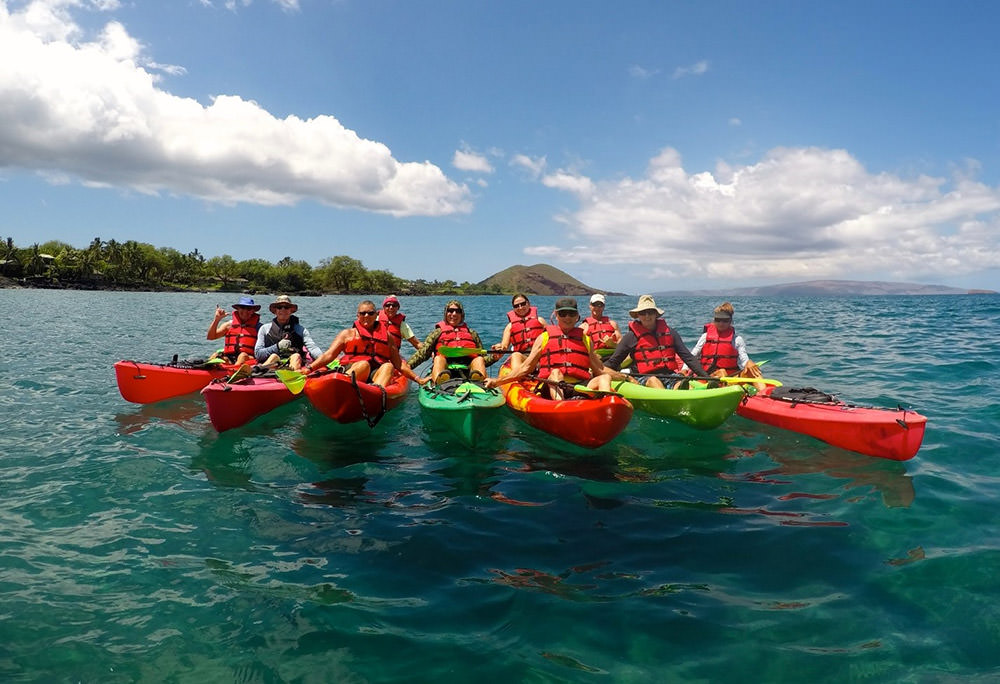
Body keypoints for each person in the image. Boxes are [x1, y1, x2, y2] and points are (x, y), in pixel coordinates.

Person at [484, 297, 629, 400]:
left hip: (580, 386)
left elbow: (600, 370)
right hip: (554, 386)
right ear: (556, 315)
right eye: (563, 313)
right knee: (555, 373)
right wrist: (497, 382)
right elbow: (525, 368)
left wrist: (626, 378)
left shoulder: (585, 339)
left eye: (571, 313)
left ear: (577, 316)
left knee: (605, 377)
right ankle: (562, 407)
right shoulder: (544, 337)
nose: (567, 317)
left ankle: (607, 407)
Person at [306, 300, 427, 387]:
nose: (366, 316)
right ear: (357, 315)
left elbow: (399, 364)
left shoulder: (387, 336)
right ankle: (340, 387)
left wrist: (418, 379)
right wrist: (309, 369)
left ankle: (375, 393)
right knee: (364, 365)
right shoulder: (347, 334)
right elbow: (329, 355)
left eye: (370, 313)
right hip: (354, 369)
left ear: (376, 315)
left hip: (375, 373)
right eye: (363, 313)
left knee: (388, 366)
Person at [604, 295, 711, 389]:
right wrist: (598, 370)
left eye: (650, 312)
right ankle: (670, 400)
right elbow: (613, 363)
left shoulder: (670, 333)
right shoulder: (631, 337)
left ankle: (682, 394)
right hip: (644, 378)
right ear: (638, 315)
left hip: (669, 375)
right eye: (643, 313)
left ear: (656, 314)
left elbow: (688, 358)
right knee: (653, 381)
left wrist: (706, 377)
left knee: (681, 382)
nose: (647, 316)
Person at [407, 300, 490, 384]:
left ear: (462, 315)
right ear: (446, 314)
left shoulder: (472, 334)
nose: (454, 314)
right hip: (444, 368)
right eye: (450, 311)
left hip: (469, 369)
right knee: (438, 359)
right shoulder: (437, 333)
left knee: (479, 359)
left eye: (457, 311)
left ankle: (479, 382)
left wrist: (494, 357)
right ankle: (440, 381)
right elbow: (422, 354)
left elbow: (484, 360)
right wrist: (407, 366)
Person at [687, 302, 765, 389]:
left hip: (731, 379)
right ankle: (720, 390)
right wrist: (684, 370)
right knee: (721, 372)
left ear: (730, 321)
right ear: (714, 320)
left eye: (725, 320)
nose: (721, 323)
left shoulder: (737, 340)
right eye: (718, 320)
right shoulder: (705, 337)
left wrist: (748, 363)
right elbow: (692, 355)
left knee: (754, 371)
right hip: (708, 377)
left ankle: (765, 396)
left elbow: (744, 359)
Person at [254, 295, 323, 371]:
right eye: (279, 307)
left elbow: (313, 348)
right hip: (273, 362)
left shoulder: (300, 330)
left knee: (296, 356)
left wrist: (324, 358)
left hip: (293, 361)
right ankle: (259, 371)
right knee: (273, 356)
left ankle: (293, 375)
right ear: (275, 311)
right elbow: (258, 354)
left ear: (291, 311)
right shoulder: (264, 329)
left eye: (286, 307)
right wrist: (277, 347)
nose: (283, 310)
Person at [492, 293, 547, 363]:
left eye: (523, 304)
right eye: (516, 306)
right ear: (513, 308)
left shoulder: (540, 321)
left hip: (540, 356)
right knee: (515, 355)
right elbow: (504, 346)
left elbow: (551, 339)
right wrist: (499, 348)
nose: (520, 308)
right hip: (522, 357)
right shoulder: (510, 326)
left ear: (528, 304)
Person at [206, 296, 261, 366]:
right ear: (238, 309)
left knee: (242, 356)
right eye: (242, 308)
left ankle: (234, 372)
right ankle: (203, 370)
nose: (245, 311)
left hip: (249, 359)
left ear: (253, 311)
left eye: (249, 309)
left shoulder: (259, 328)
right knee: (216, 355)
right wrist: (217, 320)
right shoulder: (229, 325)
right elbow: (210, 337)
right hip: (230, 358)